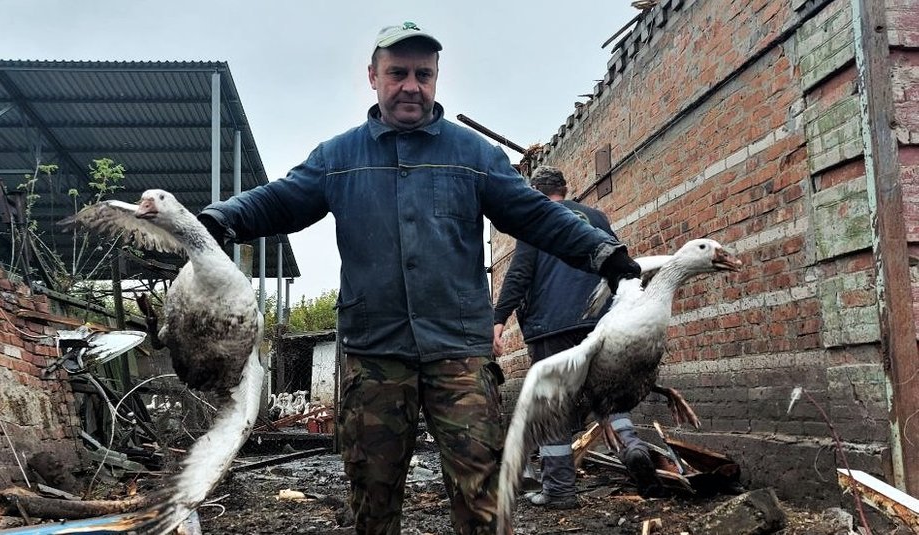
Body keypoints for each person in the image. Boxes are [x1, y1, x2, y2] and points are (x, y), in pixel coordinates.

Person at [197, 21, 641, 535]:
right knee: (373, 495)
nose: (411, 85)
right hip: (375, 354)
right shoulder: (338, 159)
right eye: (398, 73)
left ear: (436, 78)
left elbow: (536, 214)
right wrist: (216, 219)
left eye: (423, 74)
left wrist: (603, 253)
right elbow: (279, 200)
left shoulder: (473, 157)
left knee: (483, 493)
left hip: (458, 352)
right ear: (373, 76)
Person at [492, 166, 663, 506]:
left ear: (535, 193)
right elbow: (619, 264)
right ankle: (632, 447)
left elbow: (520, 276)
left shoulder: (535, 216)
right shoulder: (597, 217)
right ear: (566, 189)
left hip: (552, 328)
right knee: (605, 395)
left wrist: (498, 320)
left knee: (555, 408)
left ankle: (559, 491)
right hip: (600, 324)